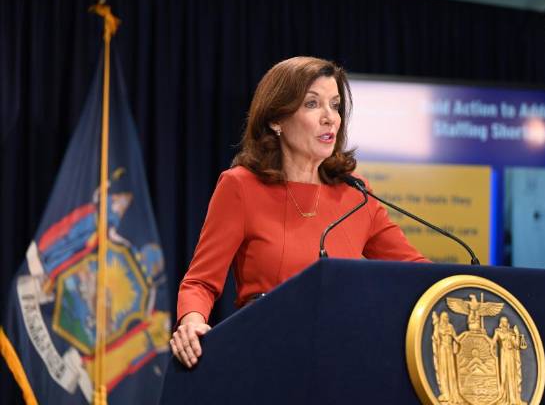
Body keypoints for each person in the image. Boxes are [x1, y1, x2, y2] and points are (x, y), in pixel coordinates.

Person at [170, 57, 426, 367]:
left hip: (344, 361)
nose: (329, 118)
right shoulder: (241, 186)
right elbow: (200, 283)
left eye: (335, 105)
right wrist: (192, 322)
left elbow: (417, 273)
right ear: (276, 119)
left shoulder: (356, 194)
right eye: (312, 104)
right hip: (267, 356)